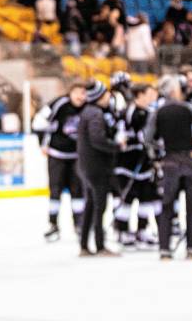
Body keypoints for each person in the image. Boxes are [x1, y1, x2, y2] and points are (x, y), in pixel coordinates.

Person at [144, 75, 192, 260]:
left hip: (170, 161)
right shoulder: (189, 109)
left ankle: (164, 249)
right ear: (176, 91)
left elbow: (147, 139)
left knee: (167, 206)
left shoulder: (158, 112)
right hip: (191, 161)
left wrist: (161, 150)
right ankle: (191, 248)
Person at [32, 82, 87, 241]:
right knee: (55, 190)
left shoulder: (88, 106)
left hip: (77, 156)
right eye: (77, 92)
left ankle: (79, 223)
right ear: (70, 93)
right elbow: (38, 123)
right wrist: (42, 143)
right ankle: (53, 225)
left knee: (78, 191)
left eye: (83, 93)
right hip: (57, 154)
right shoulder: (59, 104)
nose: (80, 96)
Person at [77, 81, 121, 257]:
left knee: (90, 205)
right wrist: (116, 146)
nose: (109, 97)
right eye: (106, 94)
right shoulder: (95, 114)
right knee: (98, 206)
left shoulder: (88, 112)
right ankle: (100, 245)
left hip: (88, 166)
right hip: (96, 166)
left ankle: (84, 245)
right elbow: (98, 140)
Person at [113, 84, 160, 246]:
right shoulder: (128, 112)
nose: (153, 96)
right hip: (127, 164)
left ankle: (142, 229)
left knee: (146, 197)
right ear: (139, 94)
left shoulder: (150, 113)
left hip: (144, 163)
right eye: (149, 93)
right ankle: (122, 230)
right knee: (128, 198)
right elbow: (122, 137)